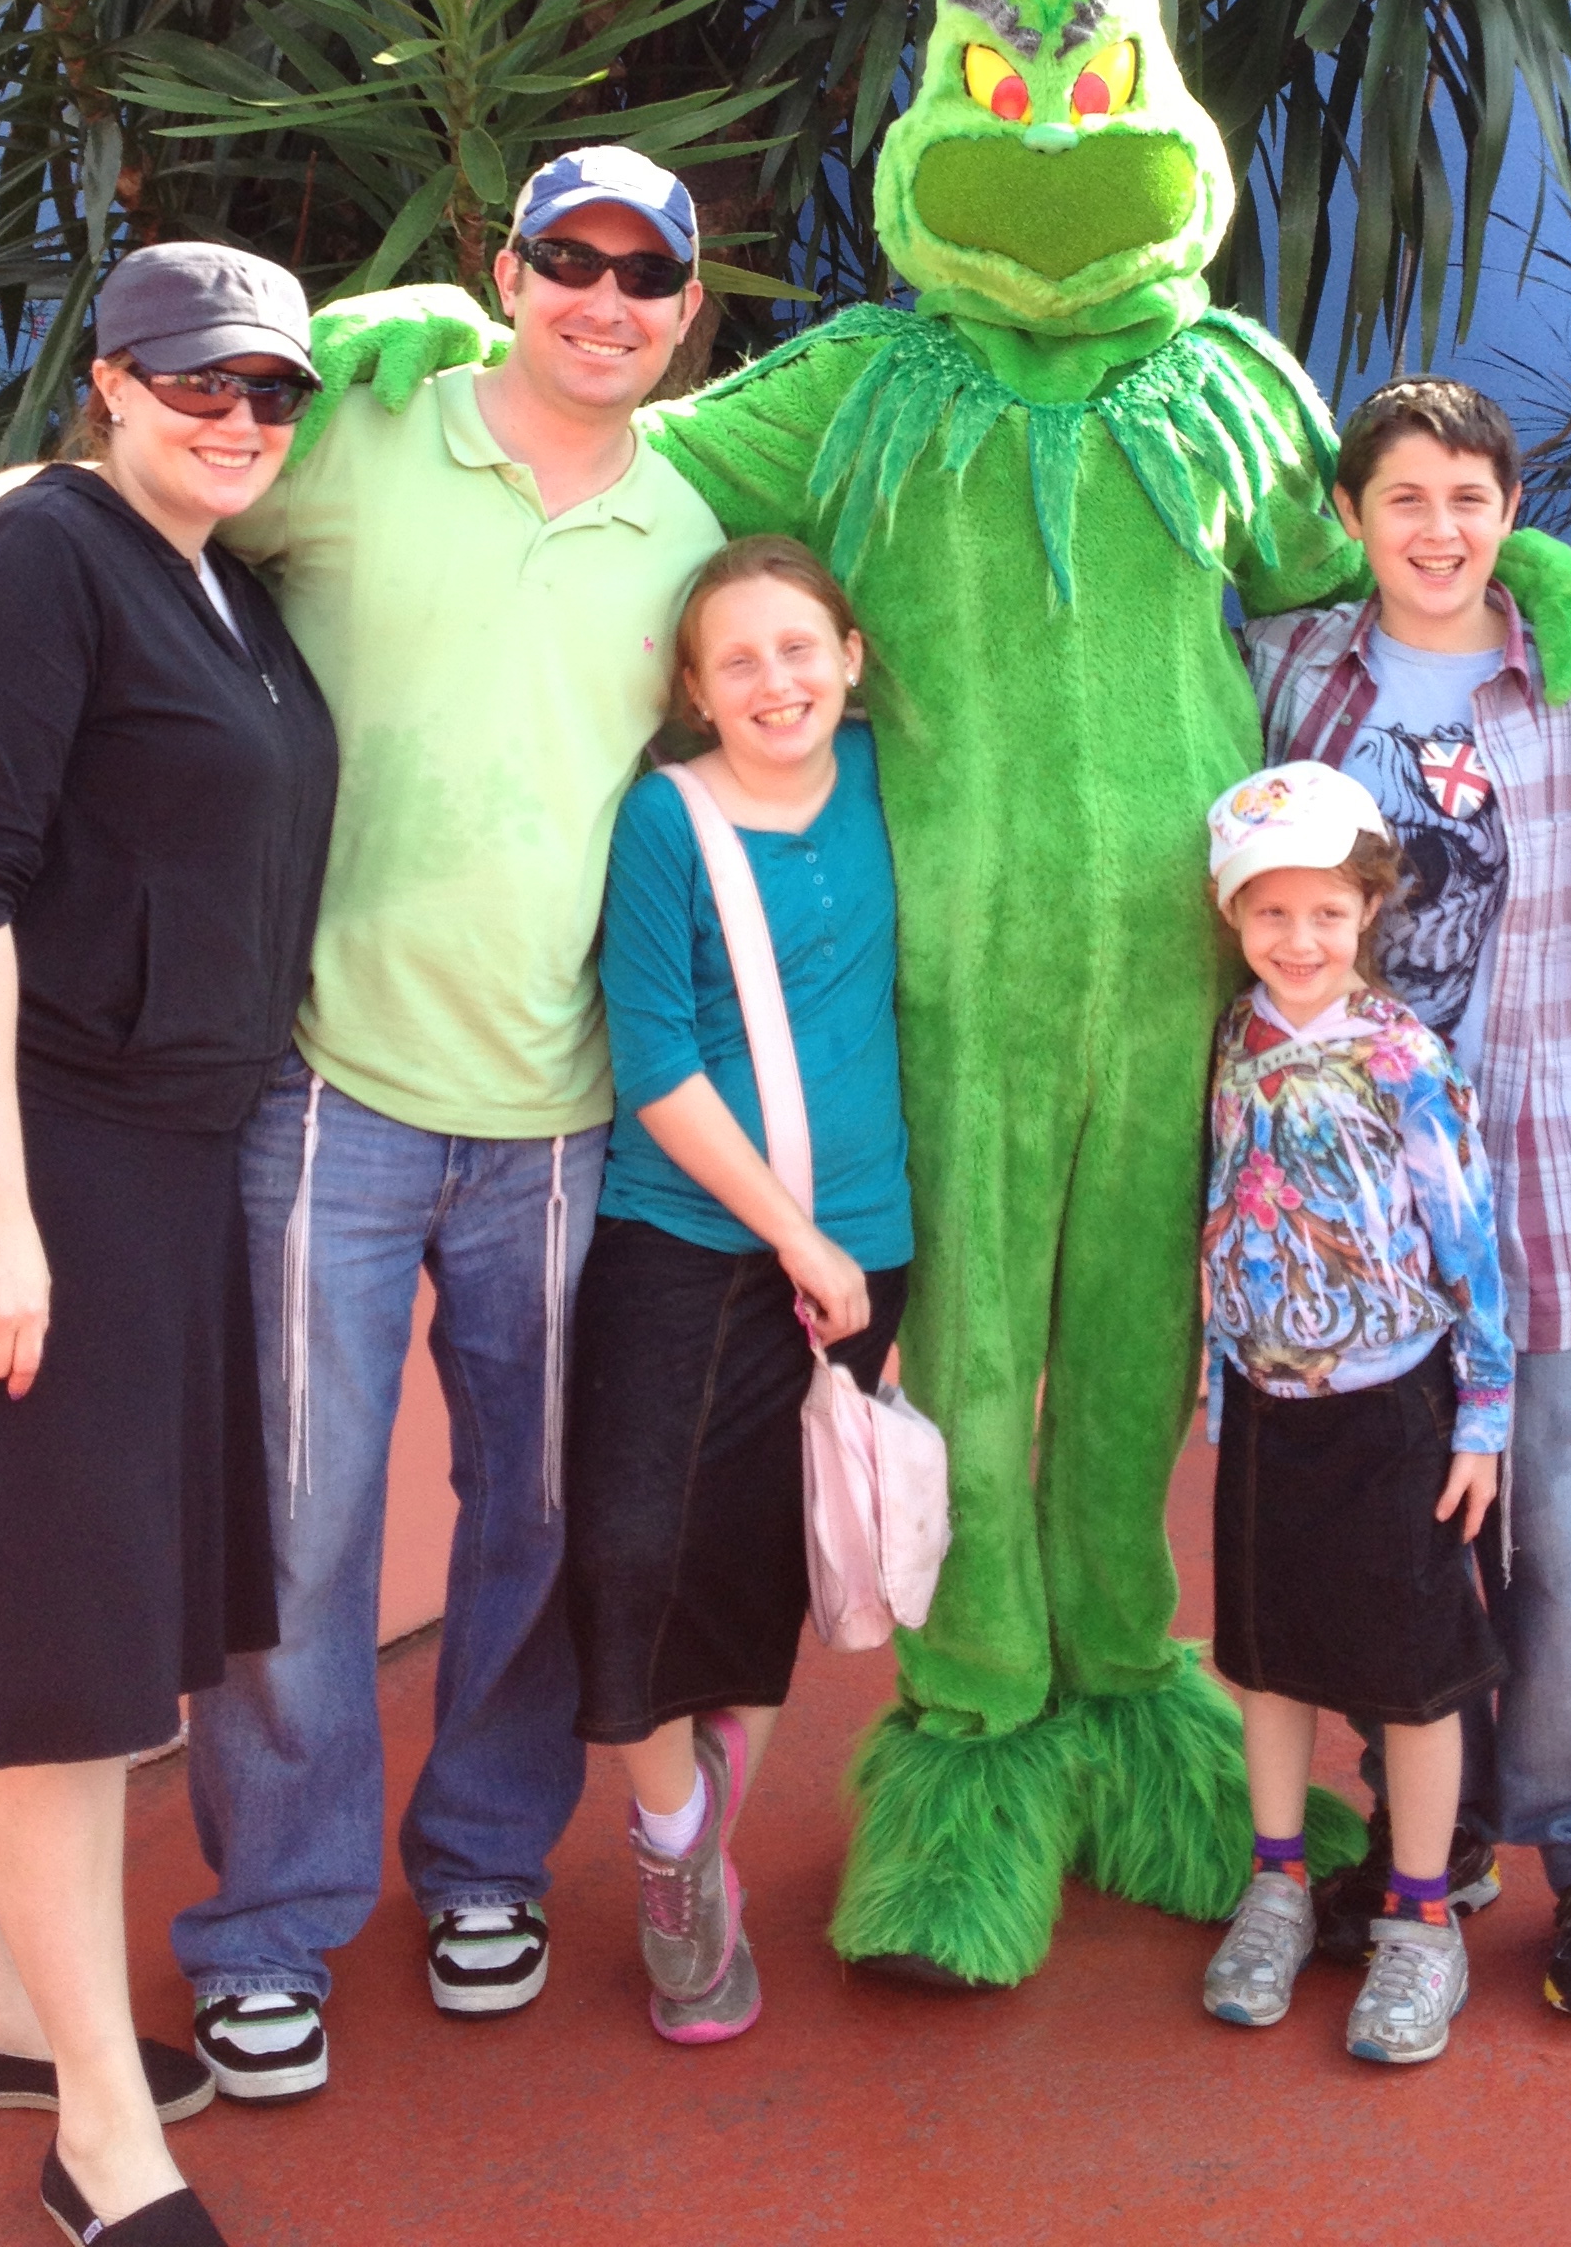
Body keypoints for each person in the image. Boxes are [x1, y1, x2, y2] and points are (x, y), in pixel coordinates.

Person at [0, 149, 723, 2100]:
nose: (604, 298)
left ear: (687, 304)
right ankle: (271, 1921)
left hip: (565, 1110)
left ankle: (487, 1859)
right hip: (327, 1088)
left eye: (644, 272)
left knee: (540, 1517)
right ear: (506, 268)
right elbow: (151, 478)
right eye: (567, 258)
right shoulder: (364, 439)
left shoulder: (693, 516)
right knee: (300, 1533)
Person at [0, 245, 336, 2247]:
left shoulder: (215, 575)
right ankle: (102, 2134)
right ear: (108, 380)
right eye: (197, 382)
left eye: (271, 390)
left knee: (7, 1598)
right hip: (18, 1134)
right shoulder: (37, 562)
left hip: (151, 1142)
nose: (239, 418)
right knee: (64, 1645)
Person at [1244, 377, 1571, 2025]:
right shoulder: (1291, 669)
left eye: (1468, 498)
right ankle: (1437, 1833)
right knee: (1396, 1529)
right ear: (1351, 518)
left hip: (1545, 1171)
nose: (1437, 530)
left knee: (1568, 1527)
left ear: (1512, 516)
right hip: (1355, 1217)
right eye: (1403, 499)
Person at [567, 536, 912, 2040]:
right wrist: (795, 1236)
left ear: (851, 657)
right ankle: (671, 1843)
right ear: (696, 692)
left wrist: (849, 1248)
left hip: (871, 1242)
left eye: (799, 648)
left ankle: (706, 1848)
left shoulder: (895, 782)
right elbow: (655, 1060)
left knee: (776, 1560)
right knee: (630, 1554)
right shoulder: (668, 819)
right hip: (688, 1241)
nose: (777, 681)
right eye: (740, 660)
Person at [1197, 761, 1511, 2068]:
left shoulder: (1404, 1057)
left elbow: (1469, 1236)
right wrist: (1218, 1380)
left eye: (1327, 912)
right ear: (1231, 914)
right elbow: (1220, 1202)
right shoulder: (1231, 1040)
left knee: (1412, 1679)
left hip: (1395, 1416)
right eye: (1270, 912)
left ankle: (1422, 1919)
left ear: (1371, 908)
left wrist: (1482, 1414)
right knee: (1267, 1659)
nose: (1299, 939)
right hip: (1267, 1407)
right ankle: (1275, 1883)